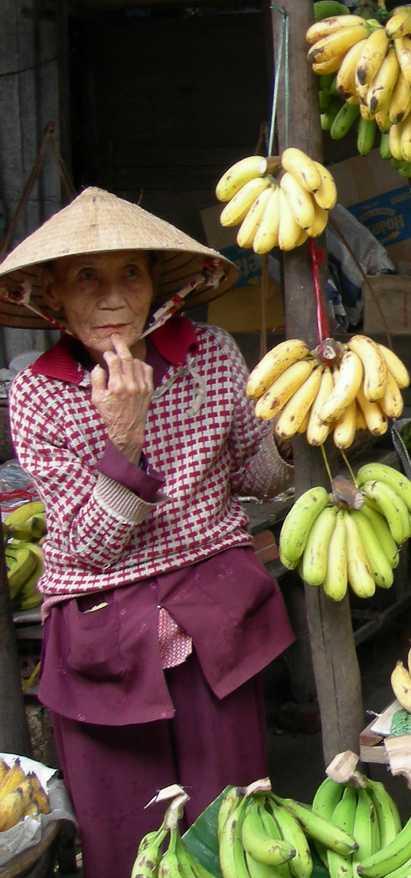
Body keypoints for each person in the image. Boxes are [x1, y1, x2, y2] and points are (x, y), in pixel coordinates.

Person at [0, 188, 295, 878]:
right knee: (127, 841)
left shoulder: (211, 354)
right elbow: (92, 543)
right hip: (106, 636)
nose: (111, 297)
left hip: (214, 618)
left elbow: (257, 476)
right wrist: (122, 438)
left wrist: (287, 435)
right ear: (53, 298)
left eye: (129, 273)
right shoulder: (39, 393)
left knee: (232, 827)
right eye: (86, 278)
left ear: (156, 285)